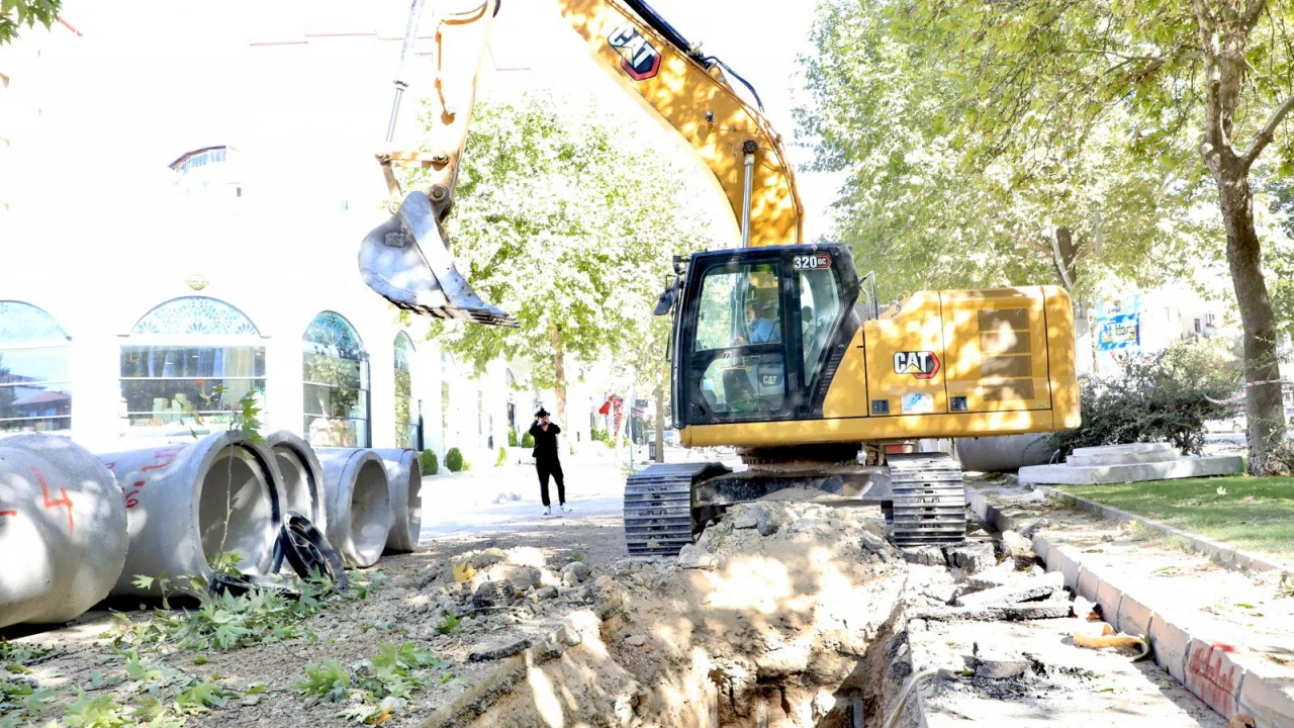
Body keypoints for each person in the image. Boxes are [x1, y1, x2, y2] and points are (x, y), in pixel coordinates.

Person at [529, 408, 568, 517]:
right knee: (543, 484)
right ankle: (547, 506)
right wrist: (537, 422)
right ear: (538, 418)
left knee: (560, 482)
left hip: (553, 460)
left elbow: (558, 430)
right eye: (541, 417)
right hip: (541, 461)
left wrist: (550, 422)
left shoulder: (552, 427)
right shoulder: (536, 428)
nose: (544, 418)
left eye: (545, 416)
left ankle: (562, 504)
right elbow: (531, 431)